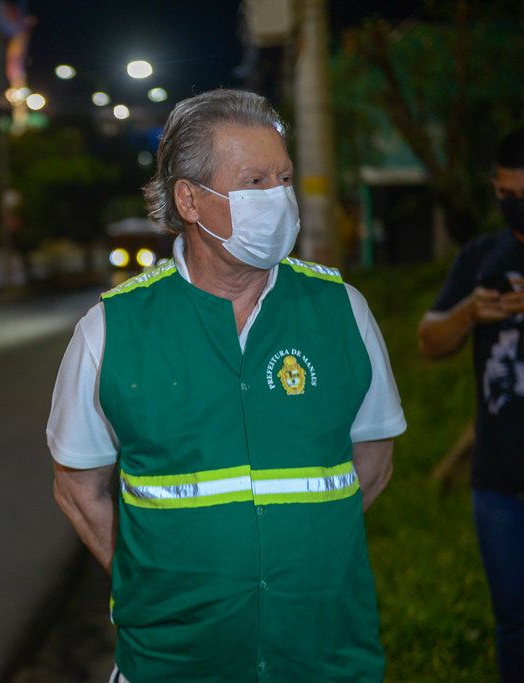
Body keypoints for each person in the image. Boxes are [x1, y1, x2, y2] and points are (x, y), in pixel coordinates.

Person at [46, 89, 406, 682]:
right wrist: (157, 582)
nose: (279, 199)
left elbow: (373, 461)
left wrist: (293, 548)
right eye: (255, 181)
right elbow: (79, 491)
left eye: (284, 178)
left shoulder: (342, 310)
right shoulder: (111, 329)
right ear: (189, 199)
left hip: (322, 654)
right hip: (175, 663)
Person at [418, 128, 524, 682]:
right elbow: (429, 340)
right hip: (500, 485)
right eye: (506, 194)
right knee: (513, 626)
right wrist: (469, 312)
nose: (516, 206)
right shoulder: (483, 254)